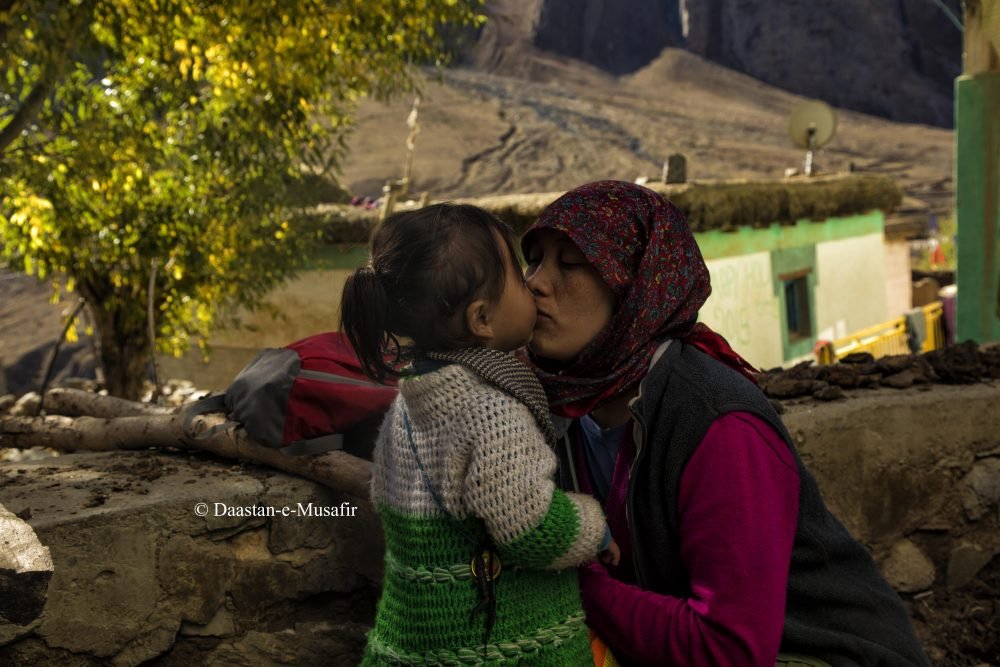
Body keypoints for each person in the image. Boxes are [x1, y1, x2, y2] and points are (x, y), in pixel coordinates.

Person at [519, 181, 932, 667]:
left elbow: (727, 650)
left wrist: (576, 585)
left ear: (636, 286)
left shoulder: (718, 424)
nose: (536, 283)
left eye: (570, 263)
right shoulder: (555, 407)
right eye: (535, 260)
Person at [341, 203, 618, 665]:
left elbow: (387, 502)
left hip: (415, 641)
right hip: (493, 647)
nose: (532, 284)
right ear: (481, 319)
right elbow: (528, 528)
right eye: (515, 271)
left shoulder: (410, 401)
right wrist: (595, 527)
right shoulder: (491, 411)